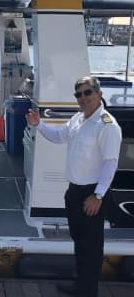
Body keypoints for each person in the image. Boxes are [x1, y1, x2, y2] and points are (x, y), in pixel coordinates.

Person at [26, 76, 122, 297]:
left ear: (99, 94)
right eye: (79, 94)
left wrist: (98, 196)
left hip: (92, 193)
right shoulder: (79, 119)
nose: (83, 98)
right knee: (79, 241)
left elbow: (111, 163)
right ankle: (81, 285)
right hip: (75, 192)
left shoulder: (107, 125)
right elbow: (59, 136)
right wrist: (38, 124)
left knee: (92, 247)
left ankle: (89, 291)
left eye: (88, 93)